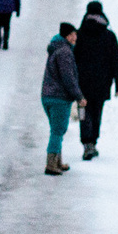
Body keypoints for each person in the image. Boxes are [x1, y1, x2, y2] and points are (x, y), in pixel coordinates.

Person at [73, 0, 118, 159]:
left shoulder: (79, 35)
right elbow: (116, 61)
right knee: (97, 113)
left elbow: (72, 60)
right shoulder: (109, 36)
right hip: (102, 83)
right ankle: (93, 142)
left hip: (82, 84)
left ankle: (86, 143)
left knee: (83, 113)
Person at [41, 21, 84, 175]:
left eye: (75, 34)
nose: (75, 37)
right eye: (72, 34)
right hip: (59, 97)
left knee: (56, 130)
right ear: (66, 36)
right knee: (58, 130)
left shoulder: (56, 48)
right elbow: (68, 78)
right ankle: (51, 164)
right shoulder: (65, 52)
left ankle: (57, 161)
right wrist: (79, 96)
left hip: (48, 96)